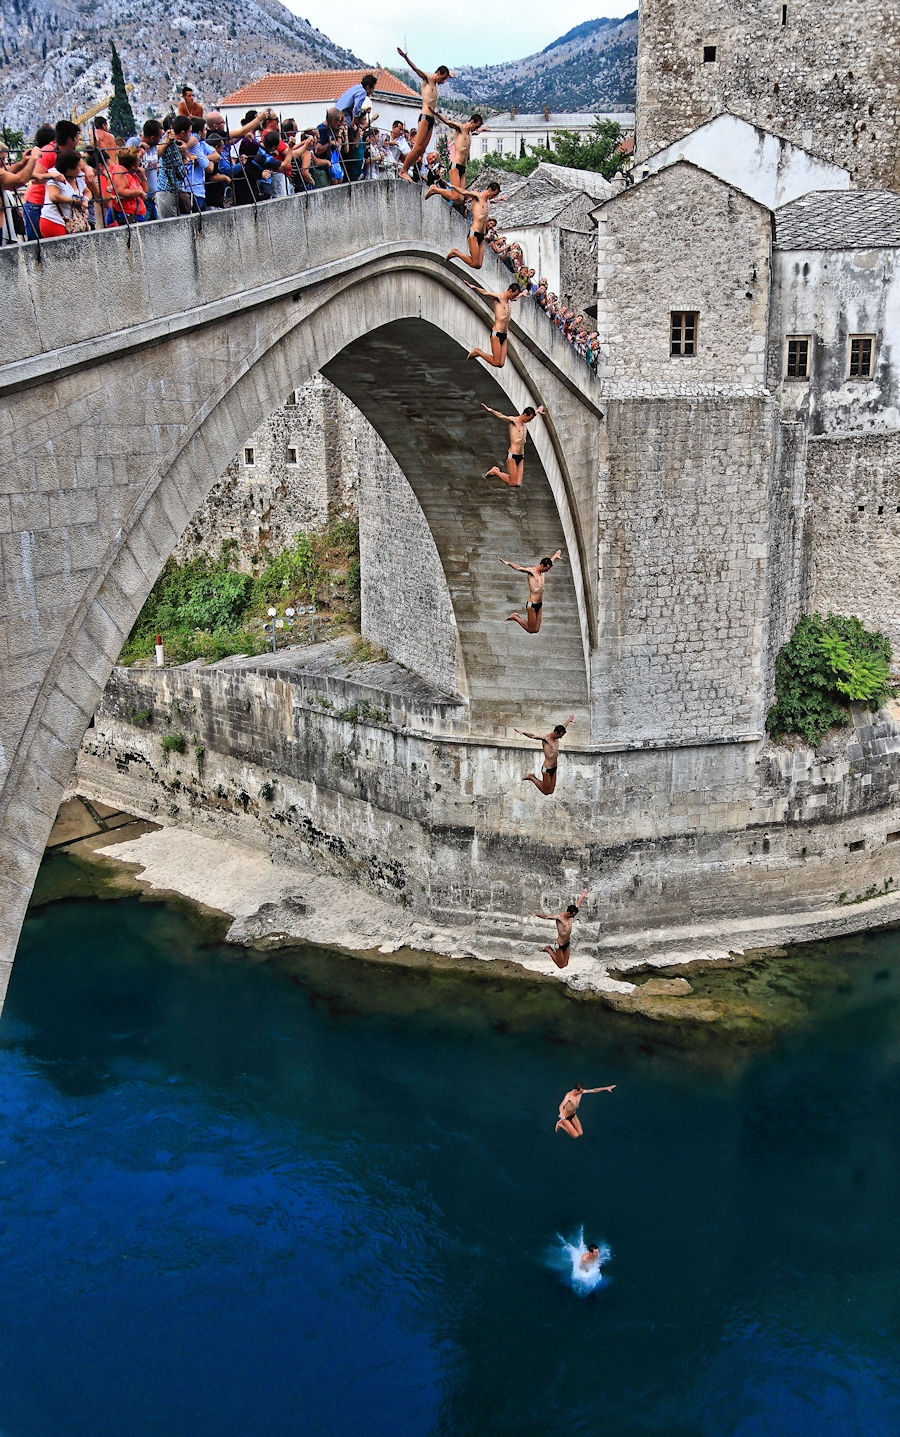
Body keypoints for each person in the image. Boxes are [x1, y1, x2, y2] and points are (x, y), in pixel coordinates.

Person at [396, 48, 452, 181]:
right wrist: (405, 58)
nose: (443, 82)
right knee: (417, 147)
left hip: (432, 118)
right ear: (438, 73)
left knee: (422, 150)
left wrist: (450, 74)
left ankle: (406, 169)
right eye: (443, 78)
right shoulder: (427, 79)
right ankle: (403, 170)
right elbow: (416, 69)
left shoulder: (436, 85)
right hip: (425, 116)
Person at [22, 120, 76, 240]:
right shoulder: (49, 151)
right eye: (77, 137)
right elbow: (33, 176)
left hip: (52, 206)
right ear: (70, 139)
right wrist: (51, 175)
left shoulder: (65, 153)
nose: (78, 140)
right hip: (37, 204)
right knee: (35, 247)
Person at [435, 180, 502, 269]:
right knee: (474, 263)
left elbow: (494, 200)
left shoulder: (488, 201)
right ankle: (455, 253)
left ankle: (456, 253)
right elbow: (464, 192)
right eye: (494, 194)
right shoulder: (477, 196)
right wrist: (452, 186)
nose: (494, 196)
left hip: (481, 235)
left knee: (478, 265)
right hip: (474, 233)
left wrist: (500, 199)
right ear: (489, 190)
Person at [481, 402, 544, 487]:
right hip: (513, 455)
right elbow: (501, 416)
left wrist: (539, 409)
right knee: (512, 483)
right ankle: (495, 471)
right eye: (529, 419)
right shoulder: (514, 421)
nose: (529, 421)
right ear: (524, 415)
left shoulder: (524, 423)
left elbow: (534, 412)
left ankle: (496, 472)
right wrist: (490, 410)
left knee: (518, 484)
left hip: (521, 456)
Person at [38, 147, 97, 236]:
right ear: (71, 169)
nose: (81, 168)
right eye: (79, 166)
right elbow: (53, 196)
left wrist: (85, 200)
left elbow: (87, 191)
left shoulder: (78, 177)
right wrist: (73, 201)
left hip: (73, 221)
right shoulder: (55, 176)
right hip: (55, 220)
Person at [499, 549, 561, 633]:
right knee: (531, 630)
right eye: (546, 569)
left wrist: (555, 556)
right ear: (542, 565)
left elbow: (551, 561)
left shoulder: (543, 572)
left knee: (536, 630)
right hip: (532, 605)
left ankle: (516, 617)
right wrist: (509, 563)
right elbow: (519, 568)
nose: (547, 571)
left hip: (539, 604)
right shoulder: (532, 571)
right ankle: (515, 617)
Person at [465, 279, 522, 367]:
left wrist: (522, 294)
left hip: (504, 335)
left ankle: (478, 352)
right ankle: (478, 352)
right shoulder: (499, 298)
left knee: (501, 364)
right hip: (496, 334)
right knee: (496, 362)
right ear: (510, 291)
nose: (514, 297)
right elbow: (485, 293)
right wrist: (474, 287)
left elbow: (516, 298)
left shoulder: (509, 301)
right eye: (514, 295)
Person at [515, 713, 574, 796]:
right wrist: (523, 733)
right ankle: (532, 777)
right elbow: (533, 736)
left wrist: (569, 720)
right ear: (556, 733)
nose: (560, 738)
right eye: (560, 736)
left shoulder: (558, 734)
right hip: (547, 769)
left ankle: (533, 778)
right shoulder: (546, 738)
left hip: (554, 767)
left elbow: (564, 726)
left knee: (551, 791)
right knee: (545, 792)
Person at [436, 111, 486, 191]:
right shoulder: (460, 128)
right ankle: (436, 190)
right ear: (472, 122)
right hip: (456, 165)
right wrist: (437, 114)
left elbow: (477, 132)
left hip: (463, 167)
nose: (476, 129)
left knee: (462, 196)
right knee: (456, 196)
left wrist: (483, 129)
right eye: (476, 126)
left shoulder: (470, 133)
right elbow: (448, 122)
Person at [155, 116, 194, 216]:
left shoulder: (167, 140)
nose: (190, 135)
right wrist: (186, 158)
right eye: (189, 132)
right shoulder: (173, 146)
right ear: (182, 133)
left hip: (165, 190)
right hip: (168, 192)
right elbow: (181, 173)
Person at [104, 146, 147, 225]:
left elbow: (145, 190)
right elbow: (120, 191)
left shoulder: (132, 173)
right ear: (133, 164)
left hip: (135, 214)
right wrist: (138, 192)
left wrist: (143, 176)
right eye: (138, 160)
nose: (140, 162)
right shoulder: (120, 171)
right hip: (126, 215)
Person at [315, 107, 348, 184]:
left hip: (333, 164)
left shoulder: (332, 129)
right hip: (323, 167)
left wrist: (339, 134)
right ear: (333, 121)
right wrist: (329, 144)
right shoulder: (322, 129)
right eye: (339, 121)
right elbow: (317, 150)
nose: (340, 123)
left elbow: (338, 148)